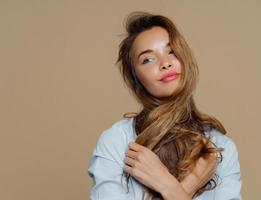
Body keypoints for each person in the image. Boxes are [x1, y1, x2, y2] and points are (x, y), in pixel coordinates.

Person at [87, 11, 242, 200]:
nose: (165, 63)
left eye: (171, 51)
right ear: (136, 78)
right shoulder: (116, 143)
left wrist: (168, 186)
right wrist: (188, 184)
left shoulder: (220, 147)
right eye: (148, 59)